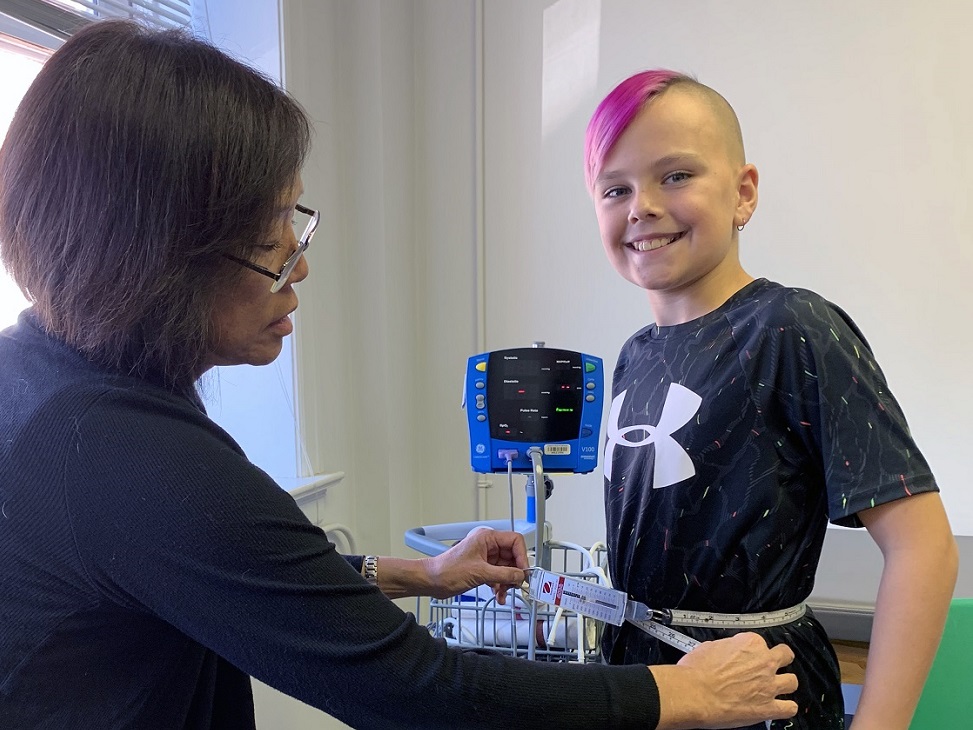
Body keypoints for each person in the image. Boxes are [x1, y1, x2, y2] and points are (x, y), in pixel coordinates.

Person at [0, 22, 800, 730]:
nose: (299, 263)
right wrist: (678, 694)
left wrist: (414, 573)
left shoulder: (43, 367)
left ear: (744, 192)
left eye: (296, 222)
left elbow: (216, 565)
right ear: (161, 257)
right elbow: (420, 690)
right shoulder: (117, 451)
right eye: (273, 237)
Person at [584, 69, 959, 729]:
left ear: (743, 193)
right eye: (615, 188)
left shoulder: (792, 331)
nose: (640, 205)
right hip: (645, 690)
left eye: (674, 176)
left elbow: (923, 546)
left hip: (761, 698)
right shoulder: (634, 357)